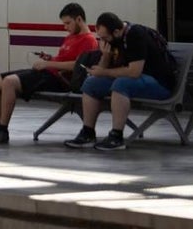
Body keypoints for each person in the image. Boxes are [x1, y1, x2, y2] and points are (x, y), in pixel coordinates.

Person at [0, 2, 98, 144]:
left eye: (68, 23)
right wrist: (50, 59)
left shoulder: (89, 40)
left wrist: (48, 64)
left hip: (58, 79)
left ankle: (3, 130)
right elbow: (64, 59)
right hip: (48, 72)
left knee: (9, 82)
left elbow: (78, 66)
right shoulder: (70, 37)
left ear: (79, 19)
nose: (65, 27)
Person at [64, 12, 178, 152]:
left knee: (121, 84)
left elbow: (134, 71)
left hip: (160, 84)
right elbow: (104, 68)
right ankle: (88, 132)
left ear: (117, 32)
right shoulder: (115, 37)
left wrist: (103, 72)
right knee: (91, 83)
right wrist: (105, 55)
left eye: (105, 37)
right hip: (137, 81)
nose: (104, 41)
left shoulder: (135, 34)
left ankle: (116, 136)